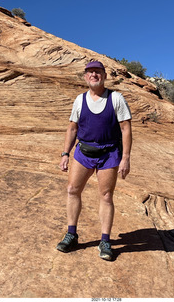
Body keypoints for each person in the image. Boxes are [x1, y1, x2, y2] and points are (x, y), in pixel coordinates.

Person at [56, 61, 132, 260]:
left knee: (106, 195)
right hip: (84, 152)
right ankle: (71, 234)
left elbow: (125, 128)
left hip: (109, 153)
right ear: (85, 77)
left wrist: (125, 158)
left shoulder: (116, 98)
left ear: (104, 76)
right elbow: (72, 128)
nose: (94, 75)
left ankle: (105, 241)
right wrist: (65, 153)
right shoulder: (79, 100)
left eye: (97, 72)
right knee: (72, 190)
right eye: (90, 72)